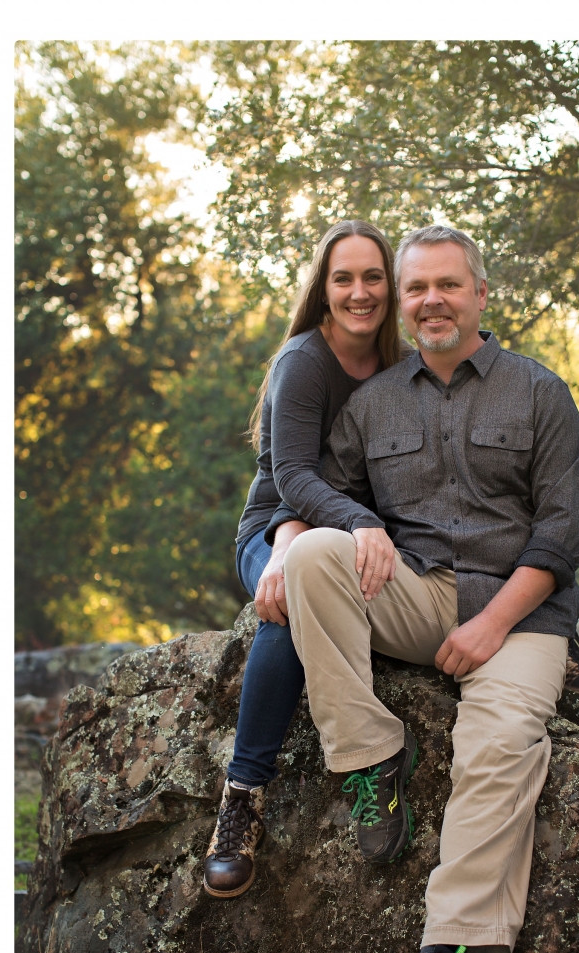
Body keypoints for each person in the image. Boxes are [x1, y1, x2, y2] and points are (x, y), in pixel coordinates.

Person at [275, 224, 579, 953]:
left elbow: (560, 536)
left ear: (481, 295)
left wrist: (491, 626)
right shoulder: (375, 400)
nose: (431, 301)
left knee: (500, 743)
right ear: (402, 304)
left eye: (449, 286)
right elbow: (311, 488)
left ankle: (444, 951)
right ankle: (371, 756)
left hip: (519, 611)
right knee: (315, 555)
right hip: (414, 595)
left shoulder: (538, 392)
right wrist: (295, 538)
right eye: (416, 289)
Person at [203, 220, 405, 900]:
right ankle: (242, 798)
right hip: (277, 529)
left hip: (351, 537)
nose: (359, 291)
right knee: (292, 604)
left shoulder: (403, 369)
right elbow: (291, 477)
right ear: (323, 288)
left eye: (372, 276)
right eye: (343, 277)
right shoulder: (304, 361)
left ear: (391, 285)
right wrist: (305, 540)